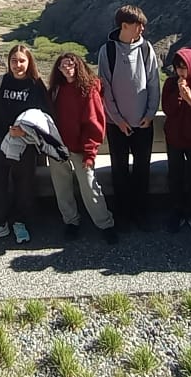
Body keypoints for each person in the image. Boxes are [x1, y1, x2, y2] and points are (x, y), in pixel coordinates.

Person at [0, 44, 51, 245]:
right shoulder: (1, 82)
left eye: (21, 61)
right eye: (13, 61)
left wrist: (26, 132)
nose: (17, 65)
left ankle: (20, 222)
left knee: (24, 184)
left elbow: (45, 116)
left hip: (25, 144)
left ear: (29, 62)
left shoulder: (35, 85)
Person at [97, 4, 161, 231]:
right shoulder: (108, 51)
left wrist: (150, 114)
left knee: (142, 170)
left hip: (143, 123)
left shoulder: (146, 49)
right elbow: (105, 88)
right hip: (117, 125)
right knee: (119, 170)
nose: (142, 29)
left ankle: (141, 213)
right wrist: (118, 119)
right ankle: (123, 214)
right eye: (138, 25)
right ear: (124, 26)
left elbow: (153, 83)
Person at [47, 52, 118, 244]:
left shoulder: (89, 89)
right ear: (58, 69)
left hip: (81, 148)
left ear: (78, 65)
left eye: (70, 64)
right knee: (61, 187)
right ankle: (71, 221)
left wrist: (89, 153)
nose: (67, 68)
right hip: (58, 147)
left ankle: (105, 224)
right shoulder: (56, 90)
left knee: (89, 186)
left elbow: (95, 123)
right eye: (63, 65)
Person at [161, 48, 191, 237]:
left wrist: (190, 100)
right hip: (174, 139)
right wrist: (178, 95)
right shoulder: (170, 84)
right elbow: (168, 109)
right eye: (178, 67)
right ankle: (177, 211)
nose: (181, 71)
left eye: (184, 67)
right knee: (175, 176)